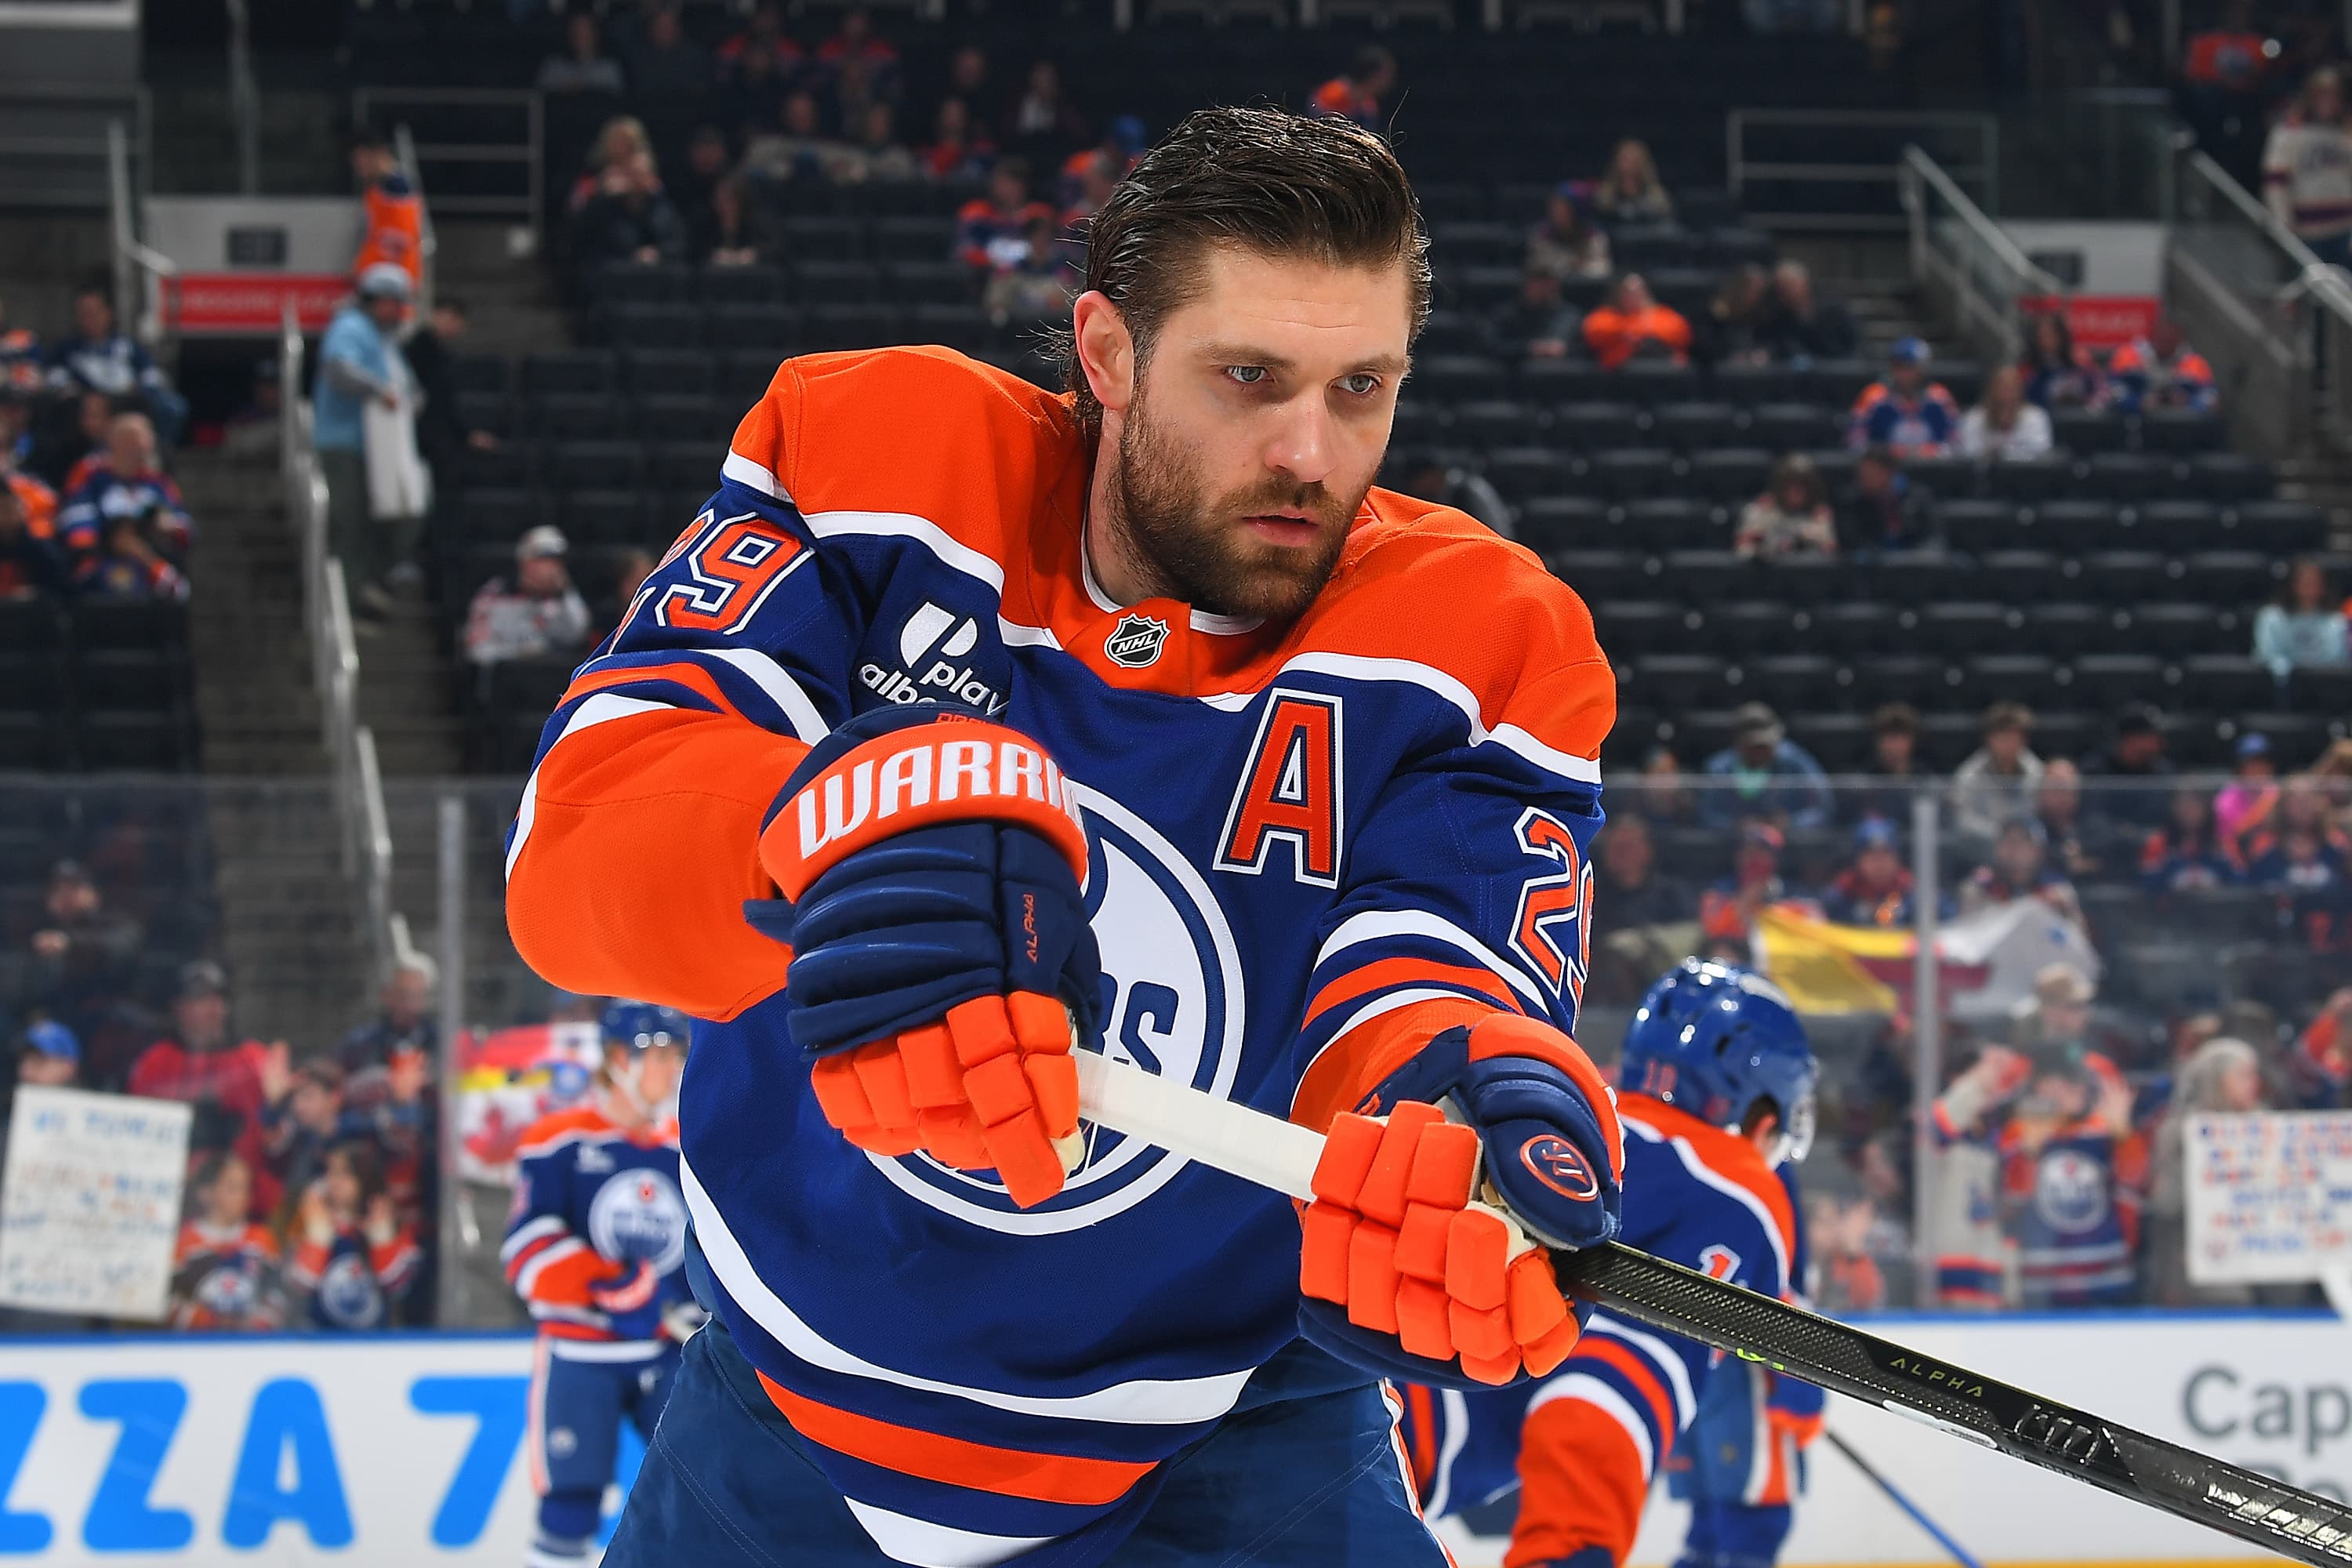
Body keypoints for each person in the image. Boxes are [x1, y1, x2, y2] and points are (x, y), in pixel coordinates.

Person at [506, 107, 1627, 1566]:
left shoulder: (1488, 636)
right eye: (1248, 377)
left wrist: (1455, 1126)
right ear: (1106, 353)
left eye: (1363, 386)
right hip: (781, 1406)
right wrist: (838, 828)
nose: (1309, 450)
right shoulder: (873, 460)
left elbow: (1435, 978)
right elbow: (578, 853)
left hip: (1230, 1440)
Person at [1406, 962, 1817, 1568]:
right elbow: (1606, 1392)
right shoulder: (1736, 1191)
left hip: (1297, 1373)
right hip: (1364, 1451)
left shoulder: (1568, 1114)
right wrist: (1572, 1552)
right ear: (1761, 1109)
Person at [505, 1001, 701, 1568]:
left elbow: (706, 1249)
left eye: (676, 1054)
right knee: (571, 1503)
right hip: (579, 1354)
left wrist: (700, 1309)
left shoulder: (684, 1148)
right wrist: (614, 1285)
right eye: (658, 1054)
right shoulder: (557, 1141)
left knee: (699, 1499)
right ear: (617, 1060)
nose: (670, 1069)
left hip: (667, 1356)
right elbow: (526, 1251)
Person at [126, 962, 285, 1215]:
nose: (214, 1010)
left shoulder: (255, 1060)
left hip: (243, 1198)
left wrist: (280, 1106)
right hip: (171, 1194)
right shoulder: (154, 1063)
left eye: (218, 1001)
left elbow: (274, 1139)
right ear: (179, 1008)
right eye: (200, 1001)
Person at [314, 264, 424, 615]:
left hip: (384, 452)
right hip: (345, 445)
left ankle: (366, 585)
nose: (399, 311)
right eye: (394, 303)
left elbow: (407, 386)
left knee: (398, 516)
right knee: (351, 525)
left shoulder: (386, 339)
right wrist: (379, 391)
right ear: (375, 300)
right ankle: (346, 601)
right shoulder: (352, 326)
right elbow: (339, 370)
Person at [2143, 1036, 2269, 1305]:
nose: (2254, 1083)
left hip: (2266, 1252)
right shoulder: (2180, 1131)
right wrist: (2201, 1163)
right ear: (2217, 1078)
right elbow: (2165, 1204)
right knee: (2230, 1301)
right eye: (2244, 1075)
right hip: (2200, 1259)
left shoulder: (2266, 1128)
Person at [1921, 1043, 2031, 1308]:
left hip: (1989, 1264)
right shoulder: (1936, 1128)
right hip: (1950, 1263)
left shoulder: (1999, 1135)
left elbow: (2014, 1202)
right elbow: (1940, 1125)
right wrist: (1977, 1083)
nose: (1991, 1087)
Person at [286, 1138, 420, 1330]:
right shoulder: (311, 1219)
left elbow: (398, 1287)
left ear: (365, 1178)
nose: (334, 1181)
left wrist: (382, 1239)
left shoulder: (393, 1223)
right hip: (320, 1342)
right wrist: (318, 1238)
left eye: (344, 1174)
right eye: (331, 1172)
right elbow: (300, 1287)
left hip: (376, 1342)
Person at [45, 281, 186, 445]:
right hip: (88, 400)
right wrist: (75, 390)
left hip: (127, 399)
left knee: (173, 405)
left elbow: (151, 373)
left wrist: (142, 389)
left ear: (108, 313)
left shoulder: (127, 345)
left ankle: (157, 453)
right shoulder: (67, 349)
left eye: (94, 313)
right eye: (83, 315)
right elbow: (54, 376)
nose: (89, 320)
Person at [22, 858, 140, 1054]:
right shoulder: (40, 933)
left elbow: (121, 953)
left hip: (106, 1018)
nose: (67, 897)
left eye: (74, 889)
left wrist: (70, 945)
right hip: (58, 1021)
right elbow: (29, 989)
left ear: (93, 893)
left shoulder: (116, 923)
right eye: (58, 890)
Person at [58, 406, 192, 570]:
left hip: (152, 562)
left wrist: (169, 527)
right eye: (132, 440)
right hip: (103, 562)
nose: (141, 446)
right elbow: (76, 522)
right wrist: (109, 541)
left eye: (145, 439)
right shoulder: (91, 474)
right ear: (114, 442)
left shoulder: (157, 482)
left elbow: (185, 527)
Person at [168, 1152, 288, 1332]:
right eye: (233, 1188)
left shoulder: (262, 1239)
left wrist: (257, 1323)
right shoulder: (184, 1242)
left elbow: (277, 1294)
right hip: (197, 1347)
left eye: (246, 1188)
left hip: (251, 1347)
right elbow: (169, 1301)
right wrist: (207, 1320)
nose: (243, 1196)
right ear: (205, 1193)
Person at [401, 296, 499, 485]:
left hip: (439, 432)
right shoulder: (418, 349)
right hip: (426, 433)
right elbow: (437, 398)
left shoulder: (441, 354)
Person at [463, 524, 592, 666]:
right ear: (525, 560)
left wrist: (562, 593)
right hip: (505, 678)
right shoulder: (494, 595)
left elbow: (577, 635)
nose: (552, 568)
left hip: (553, 678)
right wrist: (521, 653)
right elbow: (477, 649)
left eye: (557, 561)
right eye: (544, 559)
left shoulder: (564, 598)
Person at [2263, 66, 2352, 265]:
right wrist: (2282, 223)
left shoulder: (2345, 134)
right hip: (2307, 230)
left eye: (2333, 95)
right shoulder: (2289, 135)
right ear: (2310, 98)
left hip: (2345, 228)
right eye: (2322, 95)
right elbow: (2277, 183)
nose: (2328, 102)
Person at [1700, 702, 1834, 829]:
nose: (1759, 753)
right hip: (1732, 846)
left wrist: (1792, 823)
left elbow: (1824, 807)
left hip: (1792, 843)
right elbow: (1705, 815)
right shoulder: (1718, 769)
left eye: (1765, 746)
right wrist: (1735, 826)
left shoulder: (1796, 762)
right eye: (1752, 747)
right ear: (1738, 743)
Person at [572, 150, 688, 274]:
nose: (636, 180)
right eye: (632, 174)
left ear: (651, 177)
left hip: (658, 275)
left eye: (641, 174)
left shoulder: (663, 209)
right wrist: (603, 195)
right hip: (618, 275)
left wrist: (657, 253)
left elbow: (678, 243)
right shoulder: (608, 207)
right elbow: (589, 237)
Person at [1950, 701, 2046, 847]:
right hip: (1983, 847)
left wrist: (2022, 835)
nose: (2007, 744)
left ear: (2024, 740)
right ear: (1989, 739)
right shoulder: (1970, 774)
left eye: (2013, 737)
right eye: (2002, 737)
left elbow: (2041, 812)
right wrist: (2001, 834)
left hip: (2026, 846)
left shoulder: (2037, 771)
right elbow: (1963, 821)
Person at [1846, 337, 1960, 456]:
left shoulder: (1940, 397)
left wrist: (1929, 451)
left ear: (1922, 369)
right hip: (1885, 468)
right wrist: (1887, 452)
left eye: (1910, 367)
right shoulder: (1873, 396)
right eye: (1899, 367)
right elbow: (1855, 441)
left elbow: (1956, 443)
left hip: (1933, 469)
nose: (1904, 374)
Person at [1961, 817, 2082, 924]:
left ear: (2039, 851)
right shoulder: (1979, 888)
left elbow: (2079, 942)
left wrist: (2058, 913)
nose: (2014, 850)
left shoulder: (2058, 891)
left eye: (2023, 842)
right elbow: (1966, 938)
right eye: (2008, 841)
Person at [1822, 817, 1936, 925]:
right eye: (1872, 858)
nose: (1880, 865)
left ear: (1897, 858)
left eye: (1885, 856)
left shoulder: (1914, 894)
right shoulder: (1840, 895)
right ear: (1857, 861)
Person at [349, 126, 424, 288]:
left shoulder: (398, 189)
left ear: (378, 154)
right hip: (377, 276)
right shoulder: (377, 189)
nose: (358, 166)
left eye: (360, 158)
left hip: (389, 280)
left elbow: (402, 238)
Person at [2254, 557, 2350, 682]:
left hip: (2325, 686)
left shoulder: (2337, 622)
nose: (2309, 588)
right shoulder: (2272, 618)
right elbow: (2266, 656)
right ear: (2292, 585)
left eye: (2314, 583)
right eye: (2304, 582)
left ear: (2323, 586)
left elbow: (2339, 660)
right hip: (2279, 687)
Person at [2086, 702, 2176, 830]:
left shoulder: (2163, 772)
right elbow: (2091, 820)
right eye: (2150, 737)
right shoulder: (2097, 770)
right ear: (2130, 739)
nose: (2158, 743)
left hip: (2151, 845)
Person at [953, 158, 1050, 272]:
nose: (1006, 189)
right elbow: (965, 249)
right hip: (987, 276)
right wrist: (994, 263)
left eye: (1011, 184)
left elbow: (1052, 252)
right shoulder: (977, 213)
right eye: (1001, 183)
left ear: (1023, 186)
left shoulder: (1038, 214)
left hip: (1032, 276)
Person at [2140, 784, 2241, 892]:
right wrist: (2171, 863)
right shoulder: (2157, 844)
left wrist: (2218, 861)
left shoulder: (2225, 843)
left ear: (2206, 807)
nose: (2188, 811)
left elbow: (2240, 883)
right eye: (2183, 804)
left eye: (2194, 804)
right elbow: (2146, 885)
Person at [982, 212, 1077, 325]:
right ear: (1029, 238)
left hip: (1053, 323)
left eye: (1045, 236)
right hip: (1017, 324)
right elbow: (996, 299)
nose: (1040, 241)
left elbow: (1072, 300)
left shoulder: (1062, 267)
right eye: (1036, 235)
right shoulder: (1016, 267)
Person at [1582, 273, 1692, 369]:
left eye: (1638, 291)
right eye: (1628, 292)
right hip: (1619, 373)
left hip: (1661, 370)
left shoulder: (1663, 315)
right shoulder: (1605, 315)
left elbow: (1681, 335)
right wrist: (1636, 333)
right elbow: (1595, 333)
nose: (1634, 296)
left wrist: (1637, 334)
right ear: (1618, 294)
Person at [1734, 452, 1835, 557]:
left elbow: (1831, 551)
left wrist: (1801, 539)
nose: (1795, 491)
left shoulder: (1821, 513)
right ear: (1780, 486)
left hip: (1809, 570)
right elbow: (1743, 547)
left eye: (1802, 485)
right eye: (1789, 485)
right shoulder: (1763, 508)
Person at [2107, 318, 2217, 414]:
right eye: (2163, 337)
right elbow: (2113, 391)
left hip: (2180, 426)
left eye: (2171, 339)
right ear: (2154, 335)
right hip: (2134, 421)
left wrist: (2189, 403)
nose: (2166, 342)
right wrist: (2138, 402)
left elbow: (2210, 398)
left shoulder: (2194, 362)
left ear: (2179, 339)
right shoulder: (2129, 355)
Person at [1757, 260, 1857, 363]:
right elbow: (1776, 349)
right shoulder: (1780, 318)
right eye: (1780, 288)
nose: (1785, 292)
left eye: (1789, 285)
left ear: (1803, 283)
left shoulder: (1834, 311)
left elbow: (1854, 345)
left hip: (1838, 369)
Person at [1846, 702, 1925, 827]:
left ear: (1912, 740)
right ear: (1877, 740)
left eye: (1901, 737)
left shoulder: (1925, 779)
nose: (1893, 745)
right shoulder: (1863, 784)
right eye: (1888, 737)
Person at [1000, 58, 1088, 165]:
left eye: (1048, 79)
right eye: (1040, 78)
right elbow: (1007, 134)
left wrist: (1057, 103)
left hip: (1053, 158)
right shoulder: (1018, 103)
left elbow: (1079, 133)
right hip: (1022, 156)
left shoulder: (1063, 106)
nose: (1043, 83)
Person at [1957, 364, 2054, 461]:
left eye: (2011, 390)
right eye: (2001, 390)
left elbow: (2041, 455)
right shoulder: (1973, 420)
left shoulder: (2036, 418)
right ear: (1990, 393)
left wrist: (2006, 452)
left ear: (2021, 395)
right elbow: (1966, 456)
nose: (2005, 396)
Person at [2020, 311, 2105, 410]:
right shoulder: (2029, 369)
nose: (2046, 340)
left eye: (2051, 335)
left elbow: (2100, 389)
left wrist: (2091, 405)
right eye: (2042, 335)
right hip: (2042, 418)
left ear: (2061, 336)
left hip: (2079, 417)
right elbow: (2026, 401)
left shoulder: (2079, 361)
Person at [2216, 733, 2281, 859]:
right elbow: (2234, 834)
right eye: (2252, 763)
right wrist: (2262, 815)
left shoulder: (2276, 793)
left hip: (2272, 860)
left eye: (2263, 762)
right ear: (2240, 767)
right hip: (2236, 859)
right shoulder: (2228, 797)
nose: (2258, 768)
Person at [1492, 267, 1582, 358]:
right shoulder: (1506, 314)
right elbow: (1494, 346)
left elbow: (1581, 348)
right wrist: (1529, 348)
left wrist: (1561, 348)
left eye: (1548, 284)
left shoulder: (1569, 315)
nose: (1544, 289)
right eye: (1538, 283)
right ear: (1526, 285)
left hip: (1561, 369)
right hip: (1519, 369)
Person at [1524, 185, 1610, 281]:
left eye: (1564, 208)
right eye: (1555, 208)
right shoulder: (1541, 235)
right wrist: (1568, 264)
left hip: (1588, 289)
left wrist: (1581, 267)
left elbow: (1603, 269)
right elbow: (1537, 267)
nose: (1558, 213)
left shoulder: (1594, 235)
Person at [0, 475, 64, 599]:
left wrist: (36, 594)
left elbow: (63, 592)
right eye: (2, 510)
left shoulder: (41, 550)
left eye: (10, 509)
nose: (7, 517)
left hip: (33, 614)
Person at [1696, 263, 1771, 368]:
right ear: (1738, 289)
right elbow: (1704, 347)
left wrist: (1763, 353)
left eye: (1760, 292)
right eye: (1752, 290)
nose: (1756, 296)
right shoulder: (1715, 313)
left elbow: (1768, 343)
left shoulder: (1761, 315)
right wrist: (1729, 355)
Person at [538, 12, 626, 95]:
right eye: (576, 32)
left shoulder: (609, 69)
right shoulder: (553, 67)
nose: (581, 37)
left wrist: (587, 90)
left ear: (596, 34)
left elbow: (615, 103)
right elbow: (540, 99)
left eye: (586, 32)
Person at [1311, 45, 1397, 129]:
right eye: (1386, 75)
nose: (1389, 81)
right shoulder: (1332, 94)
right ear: (1372, 74)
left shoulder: (1369, 107)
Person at [1591, 137, 1674, 224]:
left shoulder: (1658, 198)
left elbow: (1667, 225)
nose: (1630, 166)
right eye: (1625, 160)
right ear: (1616, 163)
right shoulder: (1604, 197)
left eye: (1635, 161)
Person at [920, 96, 994, 183]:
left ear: (966, 118)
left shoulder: (981, 154)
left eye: (958, 114)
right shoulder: (925, 155)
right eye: (949, 113)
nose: (953, 118)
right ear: (939, 118)